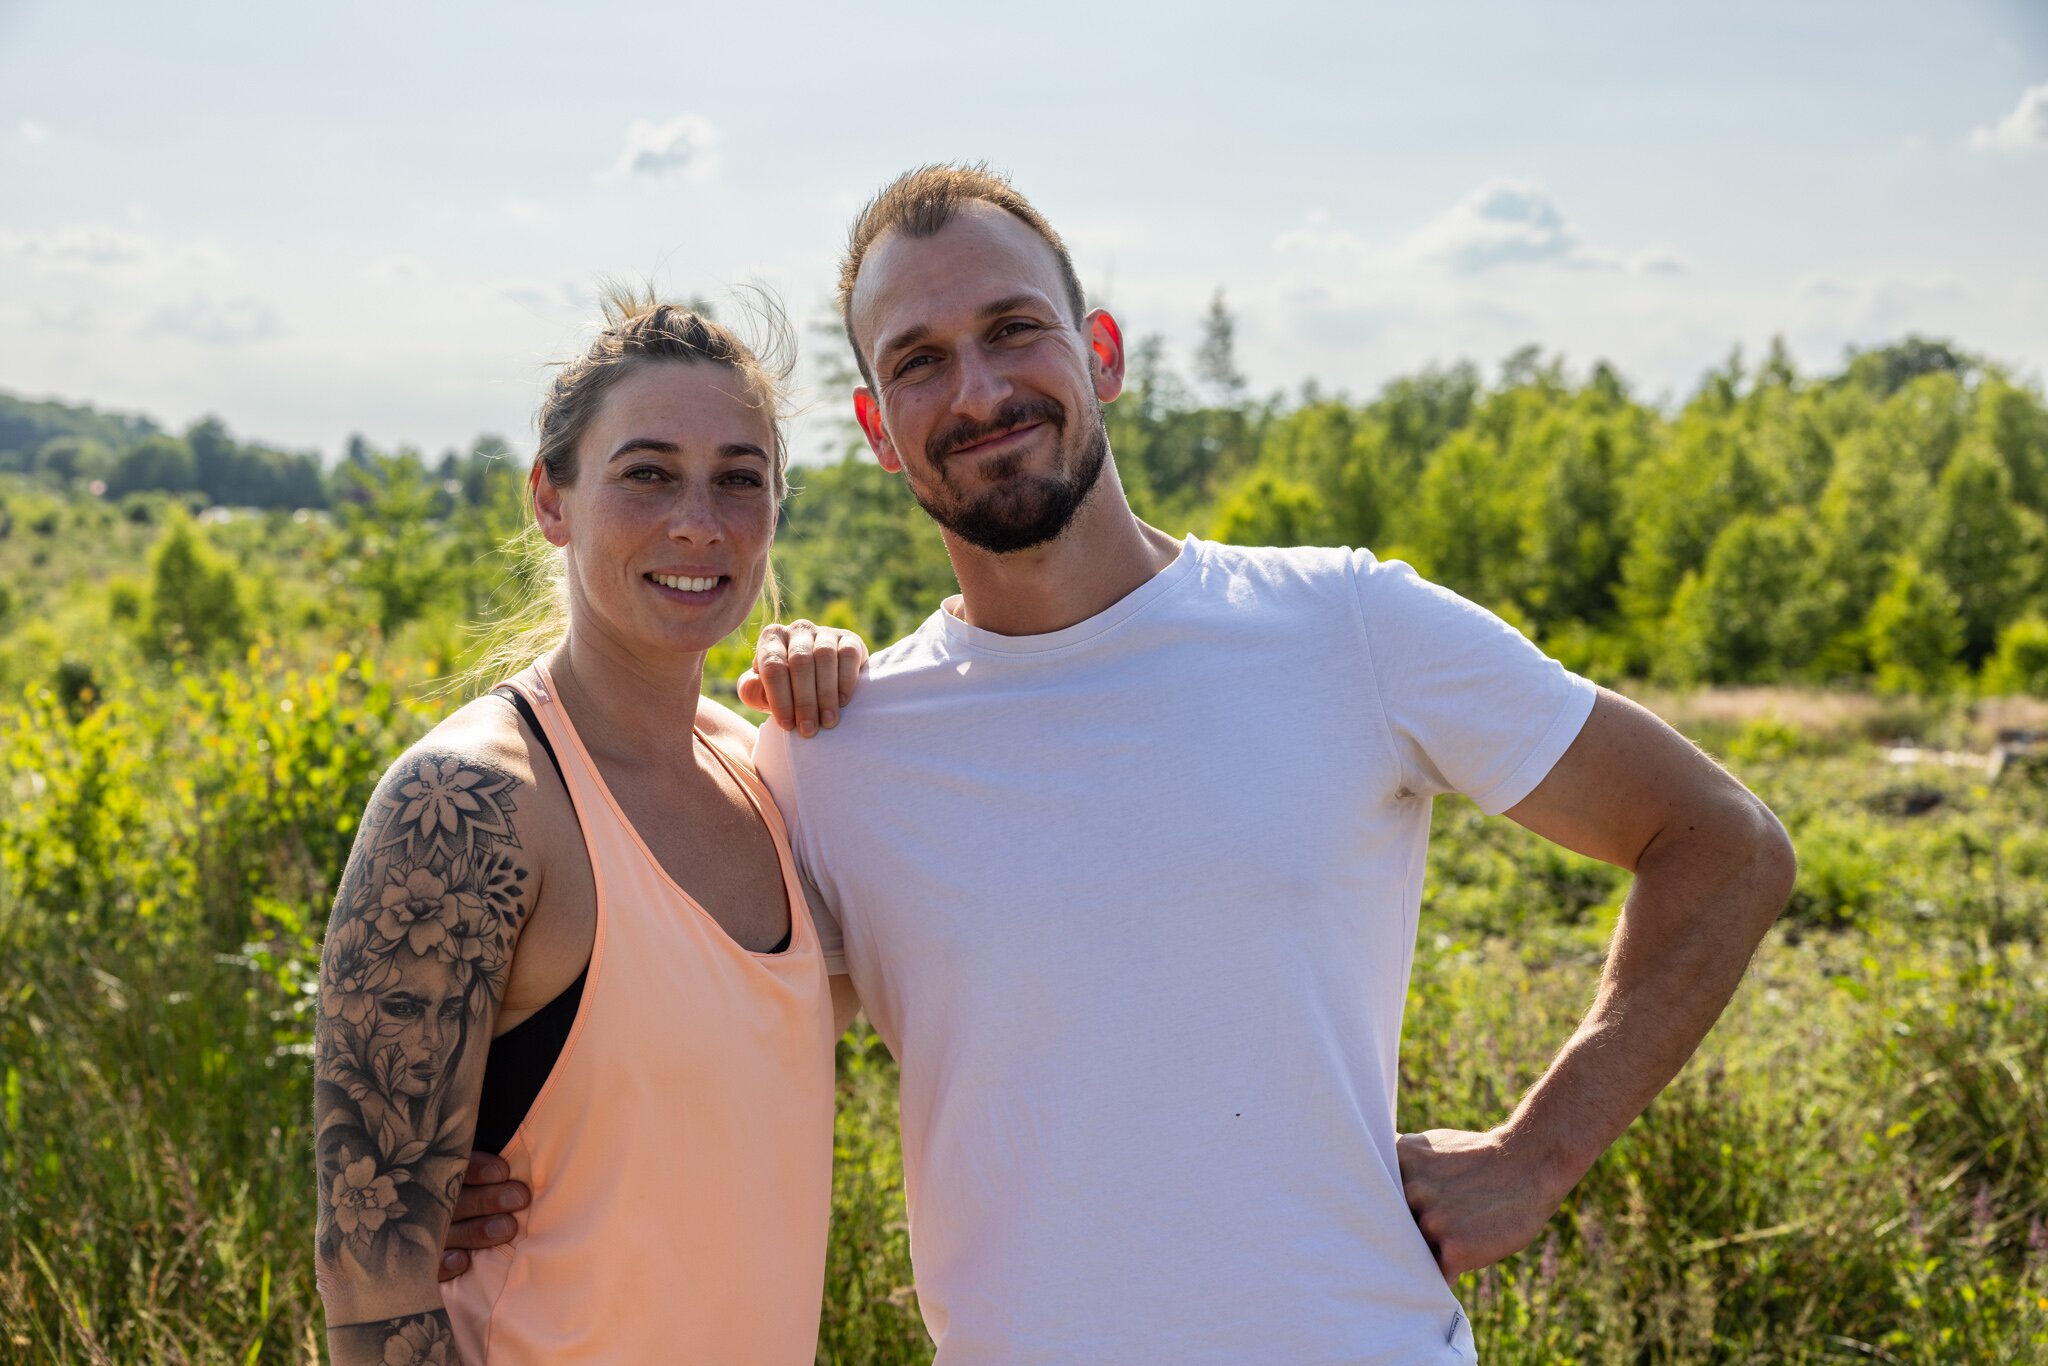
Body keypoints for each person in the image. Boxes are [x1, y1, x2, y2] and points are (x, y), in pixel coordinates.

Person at [455, 164, 1798, 1364]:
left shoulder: (1347, 627)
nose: (977, 391)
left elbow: (1721, 840)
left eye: (1012, 329)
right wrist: (469, 1155)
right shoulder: (837, 752)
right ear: (876, 428)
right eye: (919, 360)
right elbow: (700, 1044)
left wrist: (1536, 1153)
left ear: (1099, 352)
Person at [314, 286, 868, 1365]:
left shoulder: (772, 774)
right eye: (647, 473)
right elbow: (373, 1290)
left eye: (739, 478)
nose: (698, 522)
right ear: (551, 499)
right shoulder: (468, 807)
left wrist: (857, 708)